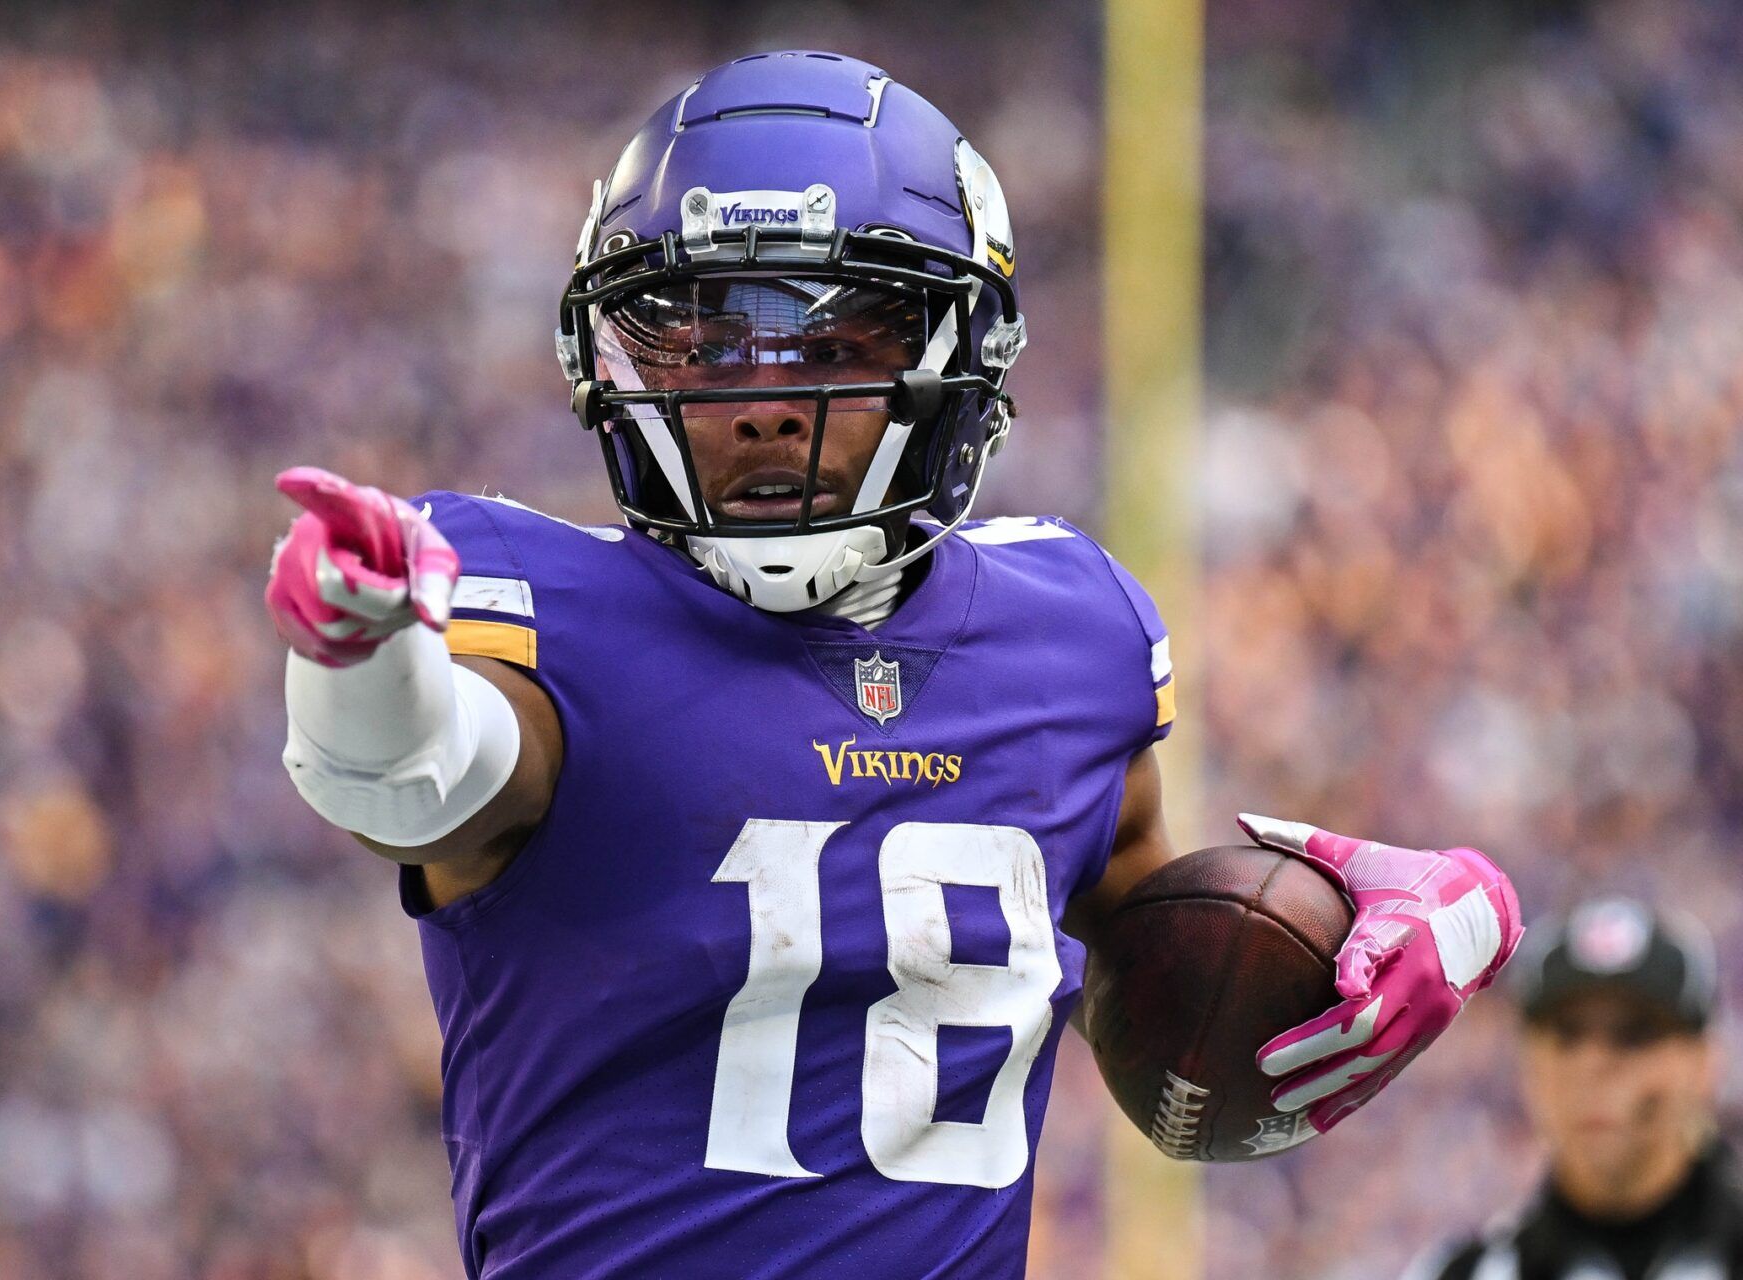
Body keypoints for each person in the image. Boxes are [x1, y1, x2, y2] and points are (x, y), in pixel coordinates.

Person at [264, 50, 1523, 1278]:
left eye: (827, 339)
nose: (760, 398)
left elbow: (1173, 984)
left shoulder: (1070, 635)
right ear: (614, 360)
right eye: (705, 339)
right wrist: (361, 651)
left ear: (959, 353)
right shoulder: (542, 612)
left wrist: (1453, 907)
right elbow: (425, 777)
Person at [1409, 896, 1741, 1280]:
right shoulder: (1459, 1273)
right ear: (1529, 1063)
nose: (1594, 1065)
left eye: (1635, 1035)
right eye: (1567, 1035)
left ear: (1706, 1061)